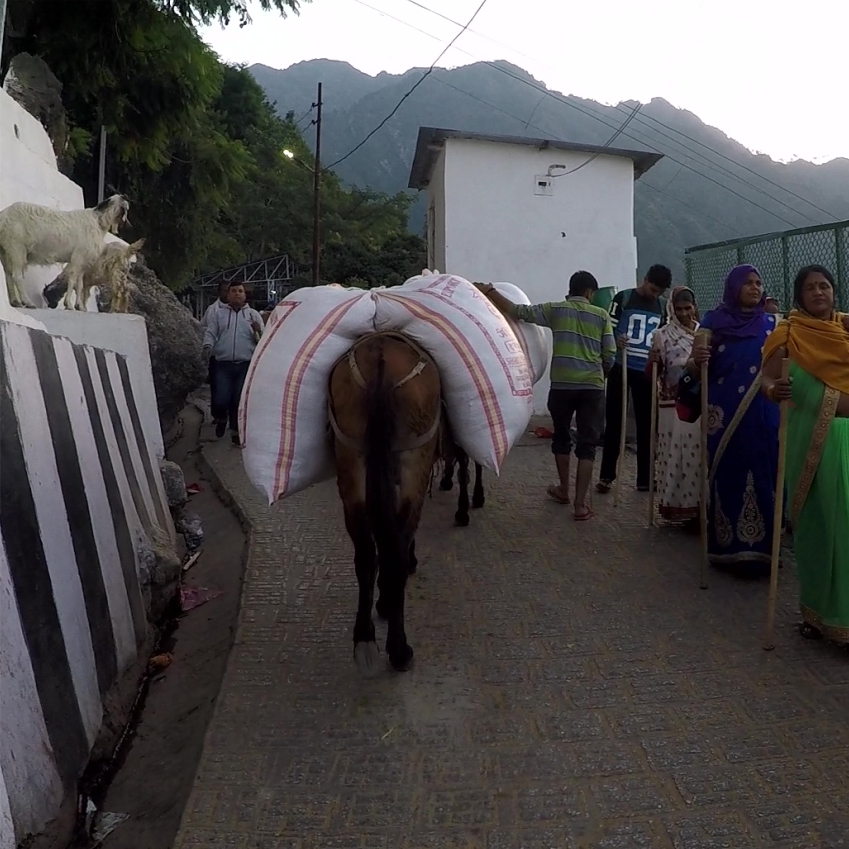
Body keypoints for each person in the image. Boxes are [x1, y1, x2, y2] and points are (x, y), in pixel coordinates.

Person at [477, 271, 615, 520]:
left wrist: (490, 291)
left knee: (561, 437)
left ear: (571, 290)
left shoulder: (556, 310)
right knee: (587, 445)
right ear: (589, 293)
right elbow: (610, 356)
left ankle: (563, 489)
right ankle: (580, 505)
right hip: (592, 388)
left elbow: (518, 311)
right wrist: (599, 373)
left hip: (562, 386)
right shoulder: (601, 316)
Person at [762, 265, 849, 643]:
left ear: (834, 291)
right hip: (809, 440)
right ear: (800, 296)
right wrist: (772, 390)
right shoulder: (788, 333)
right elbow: (767, 376)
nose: (818, 293)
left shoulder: (846, 329)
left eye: (824, 286)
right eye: (810, 288)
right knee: (819, 524)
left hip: (848, 439)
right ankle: (817, 614)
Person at [688, 264, 780, 575]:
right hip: (725, 414)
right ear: (734, 287)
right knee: (729, 475)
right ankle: (727, 550)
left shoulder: (772, 324)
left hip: (763, 414)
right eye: (748, 283)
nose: (755, 288)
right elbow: (692, 365)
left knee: (764, 474)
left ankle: (765, 554)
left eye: (759, 282)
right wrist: (696, 361)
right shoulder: (713, 323)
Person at [597, 264, 672, 493]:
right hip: (622, 366)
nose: (654, 294)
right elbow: (607, 329)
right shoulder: (624, 298)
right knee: (615, 422)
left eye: (659, 291)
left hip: (646, 371)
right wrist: (615, 340)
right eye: (652, 288)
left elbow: (663, 336)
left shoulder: (661, 307)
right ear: (645, 279)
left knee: (646, 424)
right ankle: (606, 476)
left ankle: (645, 478)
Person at [646, 286, 701, 526]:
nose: (684, 314)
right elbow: (652, 375)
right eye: (679, 309)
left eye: (688, 308)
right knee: (675, 457)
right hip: (672, 406)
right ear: (671, 309)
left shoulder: (705, 333)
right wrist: (652, 361)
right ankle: (681, 508)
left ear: (695, 307)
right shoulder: (662, 335)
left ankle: (702, 509)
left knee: (700, 458)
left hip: (701, 404)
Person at [202, 280, 264, 445]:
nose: (237, 293)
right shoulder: (218, 314)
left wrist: (258, 330)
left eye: (240, 291)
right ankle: (221, 419)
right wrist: (207, 346)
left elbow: (263, 340)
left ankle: (236, 432)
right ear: (228, 295)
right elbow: (210, 332)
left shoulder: (253, 315)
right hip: (223, 363)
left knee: (238, 400)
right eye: (234, 291)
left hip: (244, 364)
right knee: (221, 398)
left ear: (245, 295)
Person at [200, 281, 230, 387]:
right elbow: (203, 327)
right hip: (216, 355)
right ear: (219, 292)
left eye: (229, 291)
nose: (227, 294)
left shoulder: (243, 311)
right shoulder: (212, 310)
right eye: (225, 291)